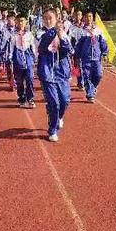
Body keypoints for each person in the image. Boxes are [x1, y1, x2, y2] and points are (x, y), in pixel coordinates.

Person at [37, 9, 74, 142]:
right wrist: (54, 31)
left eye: (50, 18)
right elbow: (41, 48)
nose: (48, 20)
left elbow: (69, 50)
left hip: (61, 72)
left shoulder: (63, 32)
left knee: (64, 100)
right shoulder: (40, 32)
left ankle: (58, 117)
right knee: (54, 103)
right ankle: (52, 130)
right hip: (47, 73)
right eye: (45, 18)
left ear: (56, 18)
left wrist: (61, 35)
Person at [74, 11, 108, 103]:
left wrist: (104, 53)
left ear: (92, 18)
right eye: (87, 17)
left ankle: (93, 87)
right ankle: (90, 95)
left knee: (98, 75)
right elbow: (78, 46)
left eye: (90, 16)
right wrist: (77, 57)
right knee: (87, 76)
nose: (89, 18)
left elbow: (103, 42)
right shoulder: (81, 31)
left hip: (97, 57)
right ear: (84, 18)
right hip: (86, 58)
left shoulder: (98, 30)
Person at [11, 16, 37, 108]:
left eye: (23, 21)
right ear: (16, 23)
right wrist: (10, 58)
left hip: (28, 57)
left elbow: (33, 46)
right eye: (19, 21)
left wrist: (35, 57)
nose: (21, 23)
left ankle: (30, 99)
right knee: (19, 80)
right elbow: (11, 47)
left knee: (30, 78)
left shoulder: (29, 34)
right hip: (18, 58)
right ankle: (21, 98)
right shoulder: (13, 34)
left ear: (26, 23)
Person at [0, 12, 17, 90]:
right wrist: (1, 51)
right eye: (9, 20)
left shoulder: (18, 29)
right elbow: (3, 42)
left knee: (17, 69)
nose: (10, 22)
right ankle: (11, 82)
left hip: (17, 53)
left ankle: (16, 82)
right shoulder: (5, 30)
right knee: (9, 69)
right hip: (8, 53)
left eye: (12, 20)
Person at [68, 10, 84, 91]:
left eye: (79, 15)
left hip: (84, 49)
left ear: (81, 16)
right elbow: (69, 38)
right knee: (77, 66)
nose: (78, 16)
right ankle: (80, 82)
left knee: (84, 66)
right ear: (74, 17)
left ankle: (84, 82)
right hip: (76, 49)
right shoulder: (72, 27)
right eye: (76, 15)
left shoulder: (84, 26)